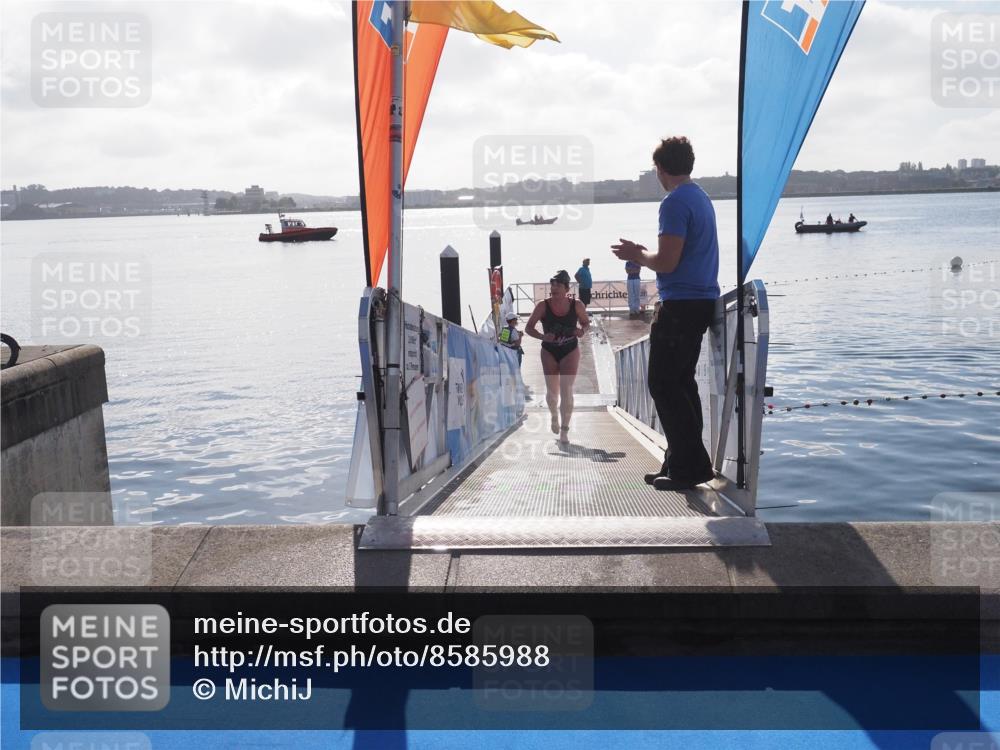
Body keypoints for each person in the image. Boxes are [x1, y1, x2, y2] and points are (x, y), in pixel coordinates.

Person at [611, 136, 719, 491]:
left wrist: (637, 255)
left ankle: (689, 467)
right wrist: (645, 253)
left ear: (660, 168)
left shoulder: (673, 203)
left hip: (681, 304)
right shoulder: (701, 197)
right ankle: (679, 461)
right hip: (700, 300)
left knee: (663, 383)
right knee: (681, 384)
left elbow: (668, 262)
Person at [525, 270, 590, 445]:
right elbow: (528, 328)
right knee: (552, 393)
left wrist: (581, 331)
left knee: (566, 389)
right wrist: (542, 336)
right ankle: (554, 415)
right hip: (549, 350)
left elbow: (586, 323)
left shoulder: (577, 305)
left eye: (558, 285)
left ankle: (564, 431)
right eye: (552, 284)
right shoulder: (542, 306)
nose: (554, 288)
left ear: (566, 289)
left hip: (570, 349)